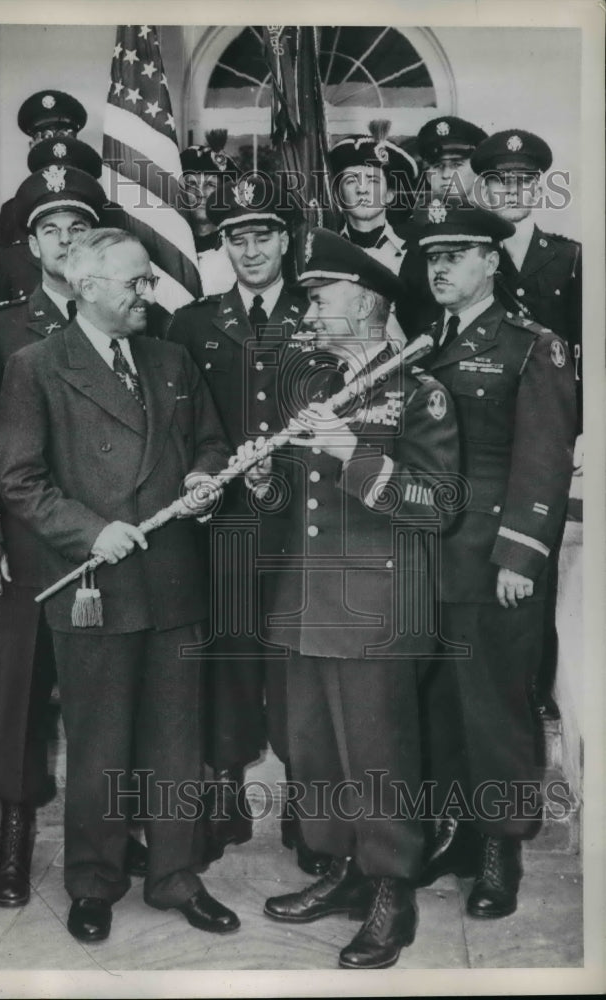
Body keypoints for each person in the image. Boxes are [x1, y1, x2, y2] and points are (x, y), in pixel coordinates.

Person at [0, 228, 239, 943]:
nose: (148, 293)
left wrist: (203, 481)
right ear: (89, 286)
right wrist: (89, 532)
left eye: (148, 281)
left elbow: (210, 444)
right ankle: (94, 882)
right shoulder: (35, 366)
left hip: (172, 582)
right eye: (135, 282)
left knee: (175, 742)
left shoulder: (170, 358)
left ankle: (174, 877)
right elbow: (20, 479)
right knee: (99, 745)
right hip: (95, 582)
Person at [258, 228, 460, 970]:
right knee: (314, 755)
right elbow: (302, 503)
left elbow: (437, 506)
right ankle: (342, 871)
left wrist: (353, 453)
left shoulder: (419, 390)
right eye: (306, 296)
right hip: (308, 602)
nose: (308, 309)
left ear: (368, 301)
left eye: (321, 295)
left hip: (378, 608)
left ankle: (391, 892)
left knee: (378, 760)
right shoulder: (317, 386)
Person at [0, 165, 147, 908]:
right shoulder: (0, 331)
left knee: (114, 694)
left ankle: (112, 830)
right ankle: (14, 834)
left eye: (77, 228)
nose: (64, 241)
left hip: (115, 546)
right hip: (35, 546)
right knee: (25, 692)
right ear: (31, 244)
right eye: (49, 230)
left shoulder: (133, 320)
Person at [412, 202, 576, 917]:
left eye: (455, 254)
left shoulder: (528, 345)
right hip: (428, 558)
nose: (439, 267)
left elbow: (543, 458)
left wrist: (520, 555)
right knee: (439, 707)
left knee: (496, 710)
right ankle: (457, 833)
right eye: (431, 257)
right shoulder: (424, 343)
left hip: (490, 563)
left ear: (489, 261)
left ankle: (499, 851)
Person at [166, 175, 330, 875]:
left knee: (297, 663)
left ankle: (305, 806)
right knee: (228, 659)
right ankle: (225, 795)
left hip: (302, 523)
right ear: (222, 245)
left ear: (286, 239)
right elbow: (182, 425)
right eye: (237, 236)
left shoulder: (322, 311)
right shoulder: (193, 324)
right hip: (227, 526)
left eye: (263, 233)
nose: (251, 247)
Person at [473, 128, 583, 718]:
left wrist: (584, 432)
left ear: (538, 188)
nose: (511, 190)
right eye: (498, 181)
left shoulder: (568, 258)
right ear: (482, 188)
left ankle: (537, 689)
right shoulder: (463, 257)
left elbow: (590, 350)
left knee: (535, 553)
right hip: (482, 435)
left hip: (550, 435)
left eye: (522, 181)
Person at [0, 89, 97, 306]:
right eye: (46, 137)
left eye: (64, 135)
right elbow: (10, 269)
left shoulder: (103, 206)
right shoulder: (13, 209)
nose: (56, 146)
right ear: (32, 146)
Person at [397, 115, 487, 338]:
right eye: (437, 166)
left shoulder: (494, 234)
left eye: (456, 164)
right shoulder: (414, 241)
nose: (446, 175)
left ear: (477, 170)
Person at [328, 121, 419, 276]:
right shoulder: (326, 250)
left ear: (390, 194)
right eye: (351, 181)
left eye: (373, 180)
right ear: (338, 195)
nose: (362, 189)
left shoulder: (414, 249)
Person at [179, 130, 238, 295]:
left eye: (210, 185)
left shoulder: (236, 247)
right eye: (191, 184)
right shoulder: (172, 243)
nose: (200, 193)